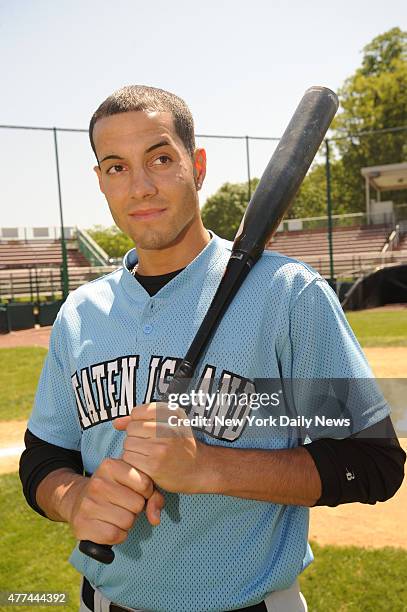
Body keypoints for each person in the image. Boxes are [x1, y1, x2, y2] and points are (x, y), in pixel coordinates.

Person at [20, 85, 405, 612]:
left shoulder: (287, 295)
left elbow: (373, 463)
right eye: (116, 167)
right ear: (101, 183)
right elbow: (44, 457)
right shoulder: (81, 313)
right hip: (103, 601)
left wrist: (208, 466)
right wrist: (75, 499)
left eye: (159, 158)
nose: (140, 187)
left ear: (197, 165)